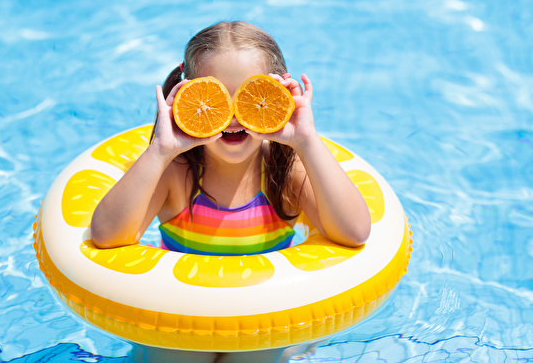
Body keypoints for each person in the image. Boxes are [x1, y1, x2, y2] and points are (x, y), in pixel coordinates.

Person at [90, 21, 371, 362]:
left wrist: (307, 141)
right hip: (181, 321)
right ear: (187, 93)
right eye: (215, 97)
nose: (233, 116)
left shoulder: (285, 172)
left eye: (251, 96)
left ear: (280, 93)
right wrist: (161, 150)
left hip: (260, 322)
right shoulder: (176, 173)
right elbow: (107, 237)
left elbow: (354, 232)